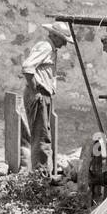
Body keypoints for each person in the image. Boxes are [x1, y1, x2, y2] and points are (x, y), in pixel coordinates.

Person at [20, 21, 69, 171]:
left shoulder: (51, 49)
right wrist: (36, 91)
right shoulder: (46, 47)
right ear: (54, 36)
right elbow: (28, 67)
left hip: (44, 94)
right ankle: (39, 176)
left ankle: (41, 173)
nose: (64, 44)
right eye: (62, 40)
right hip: (39, 94)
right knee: (41, 137)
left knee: (43, 135)